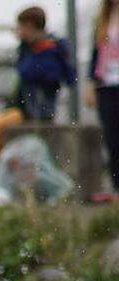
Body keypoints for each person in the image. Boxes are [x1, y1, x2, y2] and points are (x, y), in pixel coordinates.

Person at [0, 7, 77, 172]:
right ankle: (1, 171)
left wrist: (38, 50)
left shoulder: (50, 49)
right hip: (20, 108)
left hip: (32, 111)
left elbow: (36, 73)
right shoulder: (28, 49)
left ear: (30, 26)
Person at [88, 0, 119, 197]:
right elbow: (95, 54)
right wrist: (91, 83)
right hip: (107, 84)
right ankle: (116, 186)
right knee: (112, 138)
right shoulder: (103, 20)